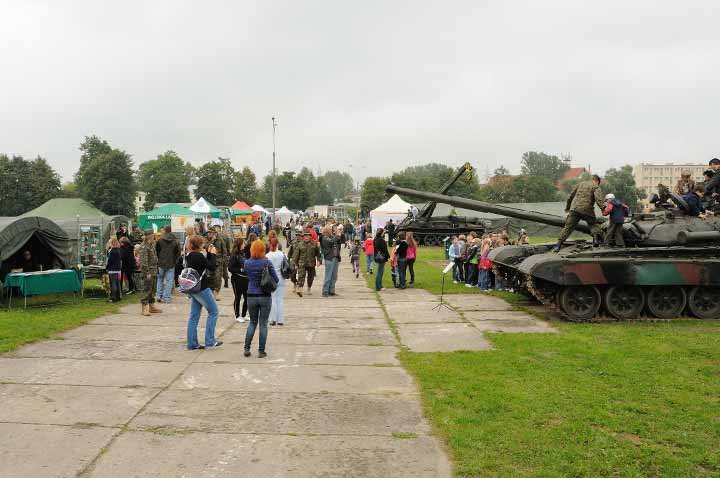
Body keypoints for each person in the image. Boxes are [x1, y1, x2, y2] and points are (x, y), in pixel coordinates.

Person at [184, 234, 222, 350]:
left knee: (194, 315)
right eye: (202, 243)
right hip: (201, 288)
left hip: (193, 288)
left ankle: (192, 343)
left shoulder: (189, 255)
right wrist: (213, 254)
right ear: (199, 245)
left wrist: (209, 254)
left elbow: (206, 264)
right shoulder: (198, 256)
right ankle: (210, 340)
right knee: (214, 312)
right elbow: (212, 267)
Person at [244, 239, 279, 358]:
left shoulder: (247, 263)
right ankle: (261, 351)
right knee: (263, 324)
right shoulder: (266, 262)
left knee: (252, 323)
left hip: (251, 295)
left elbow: (248, 276)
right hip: (264, 296)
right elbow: (276, 279)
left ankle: (247, 348)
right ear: (263, 250)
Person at [553, 174, 604, 252]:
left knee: (568, 227)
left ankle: (558, 246)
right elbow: (599, 199)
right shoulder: (596, 186)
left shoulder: (580, 184)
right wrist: (603, 208)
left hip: (574, 209)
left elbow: (570, 196)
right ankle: (596, 240)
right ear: (597, 181)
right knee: (593, 224)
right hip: (587, 209)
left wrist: (567, 207)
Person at [155, 225, 181, 304]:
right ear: (171, 230)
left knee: (160, 279)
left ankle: (159, 295)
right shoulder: (175, 240)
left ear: (165, 230)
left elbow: (156, 251)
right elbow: (178, 253)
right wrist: (175, 261)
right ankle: (167, 298)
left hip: (161, 262)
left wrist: (159, 259)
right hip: (171, 263)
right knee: (169, 281)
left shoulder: (159, 240)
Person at [138, 229, 162, 316]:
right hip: (148, 271)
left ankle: (151, 307)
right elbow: (144, 262)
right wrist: (147, 272)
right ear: (149, 236)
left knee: (152, 290)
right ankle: (144, 309)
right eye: (152, 235)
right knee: (146, 290)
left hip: (154, 270)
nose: (154, 237)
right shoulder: (144, 246)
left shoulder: (151, 245)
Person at [292, 230, 322, 296]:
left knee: (311, 277)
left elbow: (318, 253)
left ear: (310, 236)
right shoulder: (300, 244)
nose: (306, 237)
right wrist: (295, 263)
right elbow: (296, 255)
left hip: (311, 263)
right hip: (302, 263)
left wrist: (319, 260)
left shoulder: (314, 244)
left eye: (308, 236)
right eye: (305, 236)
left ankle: (309, 288)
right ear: (303, 237)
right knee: (301, 276)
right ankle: (300, 288)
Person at [266, 237, 286, 326]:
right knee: (280, 299)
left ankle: (273, 319)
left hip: (271, 279)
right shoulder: (282, 254)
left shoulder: (267, 256)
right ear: (278, 244)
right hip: (281, 278)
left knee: (272, 299)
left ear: (270, 245)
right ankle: (280, 320)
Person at [228, 237, 248, 323]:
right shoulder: (234, 255)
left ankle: (244, 314)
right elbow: (230, 268)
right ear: (239, 245)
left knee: (247, 297)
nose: (244, 245)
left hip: (245, 279)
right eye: (243, 243)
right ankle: (237, 315)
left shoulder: (243, 253)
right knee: (238, 297)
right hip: (236, 279)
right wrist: (240, 270)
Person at [320, 225, 342, 297]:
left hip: (335, 257)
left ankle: (331, 291)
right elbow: (331, 242)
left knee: (334, 276)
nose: (331, 231)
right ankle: (325, 291)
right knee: (328, 275)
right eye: (330, 230)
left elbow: (338, 241)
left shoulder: (331, 237)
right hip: (329, 258)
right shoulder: (324, 237)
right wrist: (336, 235)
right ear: (326, 231)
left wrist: (338, 235)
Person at [205, 229, 226, 300]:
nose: (209, 234)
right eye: (208, 233)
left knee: (218, 277)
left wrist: (223, 261)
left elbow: (224, 251)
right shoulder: (207, 239)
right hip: (210, 261)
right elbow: (205, 247)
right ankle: (211, 292)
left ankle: (216, 293)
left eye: (210, 233)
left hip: (218, 261)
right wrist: (212, 241)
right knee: (210, 277)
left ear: (214, 233)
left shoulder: (220, 240)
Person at [106, 238, 123, 302]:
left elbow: (110, 261)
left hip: (113, 269)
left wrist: (107, 267)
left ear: (112, 243)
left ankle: (113, 297)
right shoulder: (118, 250)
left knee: (113, 284)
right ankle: (119, 296)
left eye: (110, 242)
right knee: (118, 283)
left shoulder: (112, 251)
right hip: (118, 269)